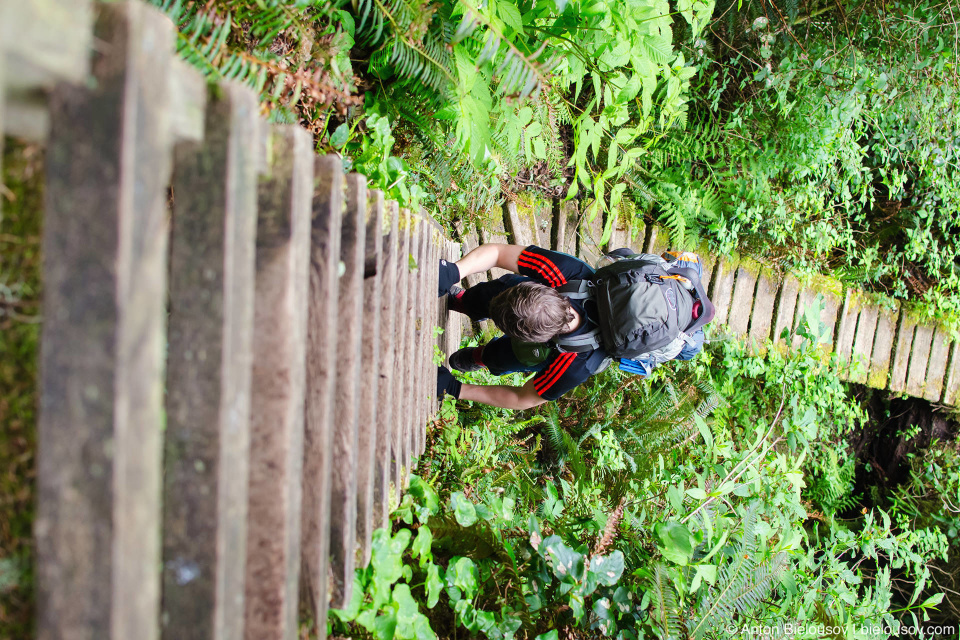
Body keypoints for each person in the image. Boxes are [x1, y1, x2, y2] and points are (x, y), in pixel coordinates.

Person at [436, 243, 712, 409]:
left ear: (535, 337)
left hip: (544, 349)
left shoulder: (578, 364)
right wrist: (454, 270)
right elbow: (498, 253)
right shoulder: (568, 273)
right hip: (554, 313)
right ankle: (463, 302)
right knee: (489, 295)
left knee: (507, 357)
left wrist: (457, 389)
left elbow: (524, 398)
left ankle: (479, 357)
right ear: (542, 287)